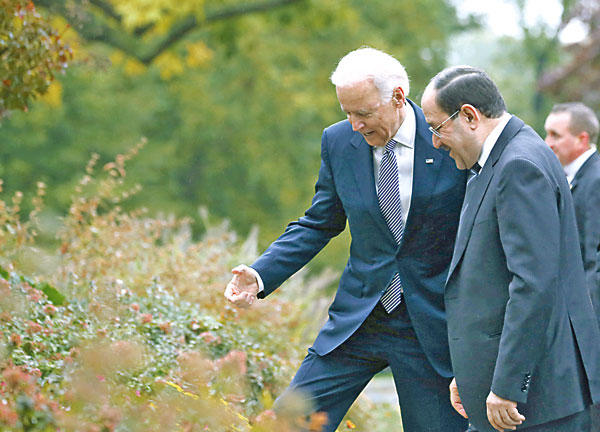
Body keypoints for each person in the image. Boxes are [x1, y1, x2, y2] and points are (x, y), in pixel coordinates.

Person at [224, 47, 468, 432]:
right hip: (360, 318)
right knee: (288, 423)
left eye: (364, 113)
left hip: (431, 324)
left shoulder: (447, 139)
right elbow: (319, 223)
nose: (354, 125)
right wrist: (259, 274)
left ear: (398, 97)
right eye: (347, 113)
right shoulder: (338, 142)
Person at [420, 66, 600, 432]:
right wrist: (472, 374)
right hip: (513, 394)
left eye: (437, 127)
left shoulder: (518, 165)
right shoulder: (500, 159)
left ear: (469, 116)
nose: (435, 142)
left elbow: (533, 285)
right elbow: (494, 282)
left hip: (535, 404)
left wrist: (506, 385)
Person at [544, 102, 600, 431]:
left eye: (556, 135)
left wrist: (584, 324)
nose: (547, 142)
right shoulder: (574, 177)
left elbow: (594, 257)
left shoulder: (595, 180)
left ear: (582, 138)